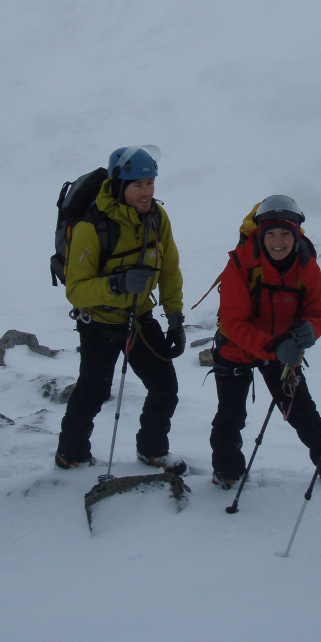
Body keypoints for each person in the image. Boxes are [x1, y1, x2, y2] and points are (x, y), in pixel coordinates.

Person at [210, 195, 321, 489]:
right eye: (270, 233)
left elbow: (317, 312)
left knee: (302, 410)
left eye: (285, 233)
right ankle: (227, 471)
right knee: (231, 415)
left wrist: (309, 329)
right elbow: (234, 323)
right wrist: (274, 347)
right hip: (237, 349)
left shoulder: (306, 265)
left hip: (282, 349)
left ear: (297, 234)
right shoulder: (240, 265)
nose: (278, 240)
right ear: (260, 234)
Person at [55, 145, 187, 475]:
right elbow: (75, 290)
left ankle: (153, 450)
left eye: (150, 183)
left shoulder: (157, 218)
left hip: (140, 318)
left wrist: (174, 319)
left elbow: (169, 268)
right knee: (94, 389)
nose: (147, 192)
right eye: (137, 185)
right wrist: (118, 285)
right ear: (119, 185)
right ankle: (71, 454)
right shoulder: (92, 227)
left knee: (164, 386)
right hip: (98, 322)